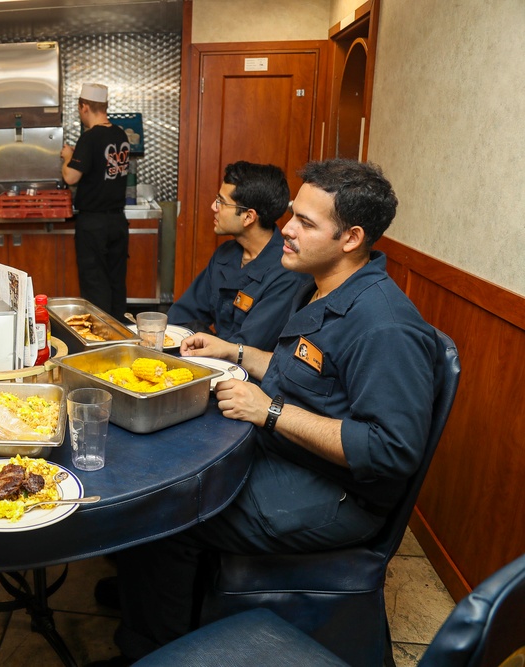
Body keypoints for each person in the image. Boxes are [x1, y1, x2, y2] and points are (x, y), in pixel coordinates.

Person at [104, 159, 444, 663]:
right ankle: (150, 593)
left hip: (336, 496)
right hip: (286, 457)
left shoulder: (385, 325)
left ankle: (152, 647)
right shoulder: (323, 285)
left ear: (350, 238)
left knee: (163, 515)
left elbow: (390, 450)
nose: (286, 229)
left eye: (305, 223)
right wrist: (234, 351)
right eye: (292, 215)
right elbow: (300, 370)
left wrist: (271, 412)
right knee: (159, 474)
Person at [168, 161, 304, 351]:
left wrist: (199, 338)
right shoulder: (226, 255)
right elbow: (181, 317)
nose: (213, 207)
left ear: (248, 217)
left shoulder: (287, 272)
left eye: (221, 202)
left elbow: (245, 349)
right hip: (208, 361)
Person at [60, 82, 131, 321]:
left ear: (84, 107)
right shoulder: (120, 134)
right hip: (118, 222)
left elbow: (71, 177)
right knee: (116, 281)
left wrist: (68, 157)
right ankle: (119, 334)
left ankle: (99, 339)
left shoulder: (89, 138)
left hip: (94, 224)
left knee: (95, 283)